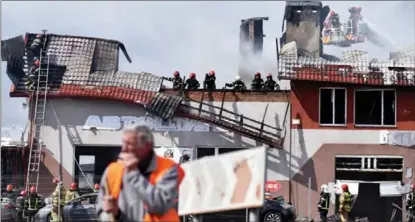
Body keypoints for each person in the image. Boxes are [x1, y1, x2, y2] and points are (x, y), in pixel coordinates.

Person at [96, 125, 185, 222]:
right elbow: (101, 210)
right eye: (123, 144)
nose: (123, 149)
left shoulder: (169, 169)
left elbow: (160, 206)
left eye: (130, 144)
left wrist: (134, 174)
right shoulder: (113, 170)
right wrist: (113, 214)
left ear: (147, 146)